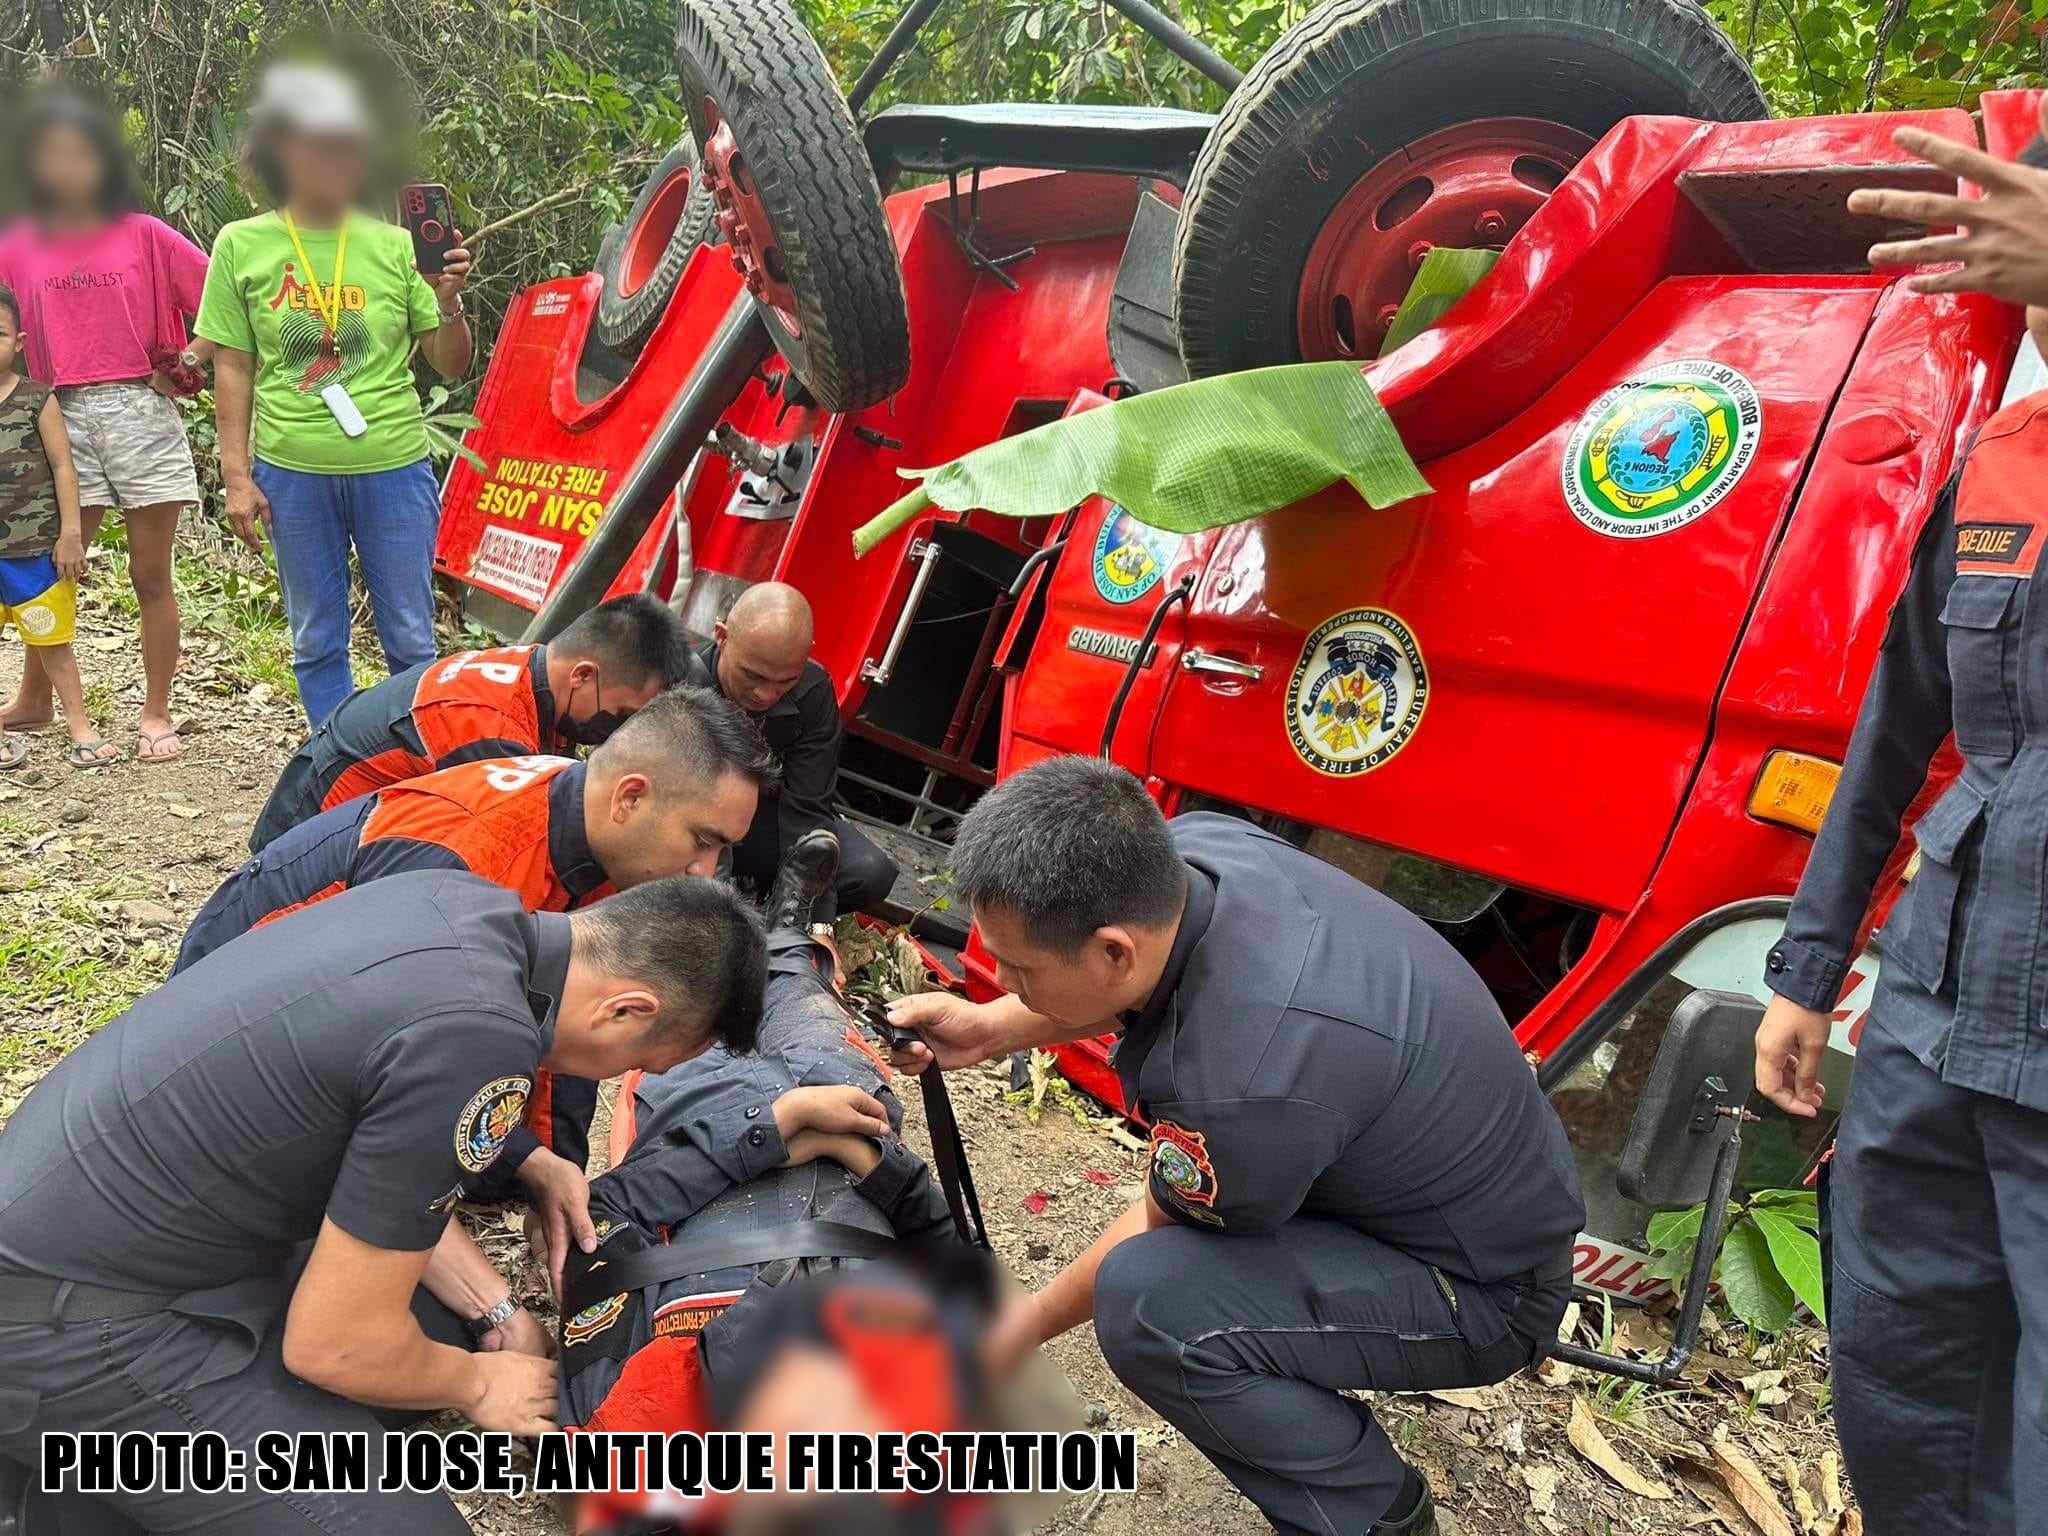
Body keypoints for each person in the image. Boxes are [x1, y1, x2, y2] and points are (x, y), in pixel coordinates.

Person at [887, 756, 1585, 1536]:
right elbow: (1141, 988)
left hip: (1483, 1289)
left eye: (1019, 967)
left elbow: (1160, 1218)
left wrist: (1010, 1334)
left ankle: (1371, 1514)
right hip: (1431, 1185)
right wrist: (989, 1028)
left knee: (1153, 1302)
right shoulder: (1196, 853)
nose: (1002, 977)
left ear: (1113, 950)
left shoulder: (1247, 1077)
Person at [0, 868, 766, 1533]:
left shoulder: (458, 907)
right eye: (642, 1060)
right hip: (72, 1330)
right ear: (624, 1010)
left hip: (105, 1236)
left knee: (438, 1328)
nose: (617, 1076)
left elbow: (384, 1177)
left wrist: (498, 1313)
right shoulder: (480, 1040)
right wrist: (479, 1386)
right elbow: (335, 1347)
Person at [1751, 371, 2048, 1530]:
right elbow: (1894, 730)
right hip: (1930, 1025)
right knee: (1897, 1389)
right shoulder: (2002, 467)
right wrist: (1809, 970)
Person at [181, 685, 777, 1234]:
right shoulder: (467, 869)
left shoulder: (594, 828)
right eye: (702, 841)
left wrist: (550, 1172)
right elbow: (387, 1066)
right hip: (228, 1039)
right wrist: (518, 1161)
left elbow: (566, 1021)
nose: (703, 872)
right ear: (631, 797)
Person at [558, 830, 977, 1534]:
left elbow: (598, 1223)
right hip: (852, 1118)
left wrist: (769, 1132)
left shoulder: (631, 1440)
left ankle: (724, 908)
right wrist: (871, 1164)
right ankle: (784, 936)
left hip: (706, 1116)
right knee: (804, 1005)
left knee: (708, 1002)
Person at [195, 62, 476, 725]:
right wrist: (236, 477)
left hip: (393, 466)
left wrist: (449, 301)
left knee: (410, 637)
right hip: (292, 471)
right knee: (317, 639)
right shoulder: (241, 244)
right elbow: (233, 366)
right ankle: (336, 759)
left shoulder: (396, 246)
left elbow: (450, 363)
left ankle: (415, 755)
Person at [0, 90, 208, 762]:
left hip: (140, 410)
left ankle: (156, 712)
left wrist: (184, 365)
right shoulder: (17, 245)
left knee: (150, 573)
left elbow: (226, 302)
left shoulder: (145, 234)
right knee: (51, 569)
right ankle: (35, 701)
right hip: (53, 413)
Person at [250, 591, 702, 850]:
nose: (619, 731)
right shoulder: (492, 730)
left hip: (336, 818)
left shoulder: (535, 672)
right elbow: (508, 853)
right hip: (305, 852)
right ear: (583, 675)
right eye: (622, 714)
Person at [699, 582, 898, 919]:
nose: (766, 694)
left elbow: (808, 807)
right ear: (722, 636)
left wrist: (816, 922)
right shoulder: (684, 677)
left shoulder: (813, 691)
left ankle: (779, 916)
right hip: (692, 827)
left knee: (870, 871)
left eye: (785, 681)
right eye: (753, 675)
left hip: (767, 823)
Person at [0, 286, 114, 771]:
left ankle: (80, 727)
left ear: (19, 342)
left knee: (53, 640)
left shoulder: (36, 398)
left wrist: (71, 534)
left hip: (34, 549)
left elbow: (65, 467)